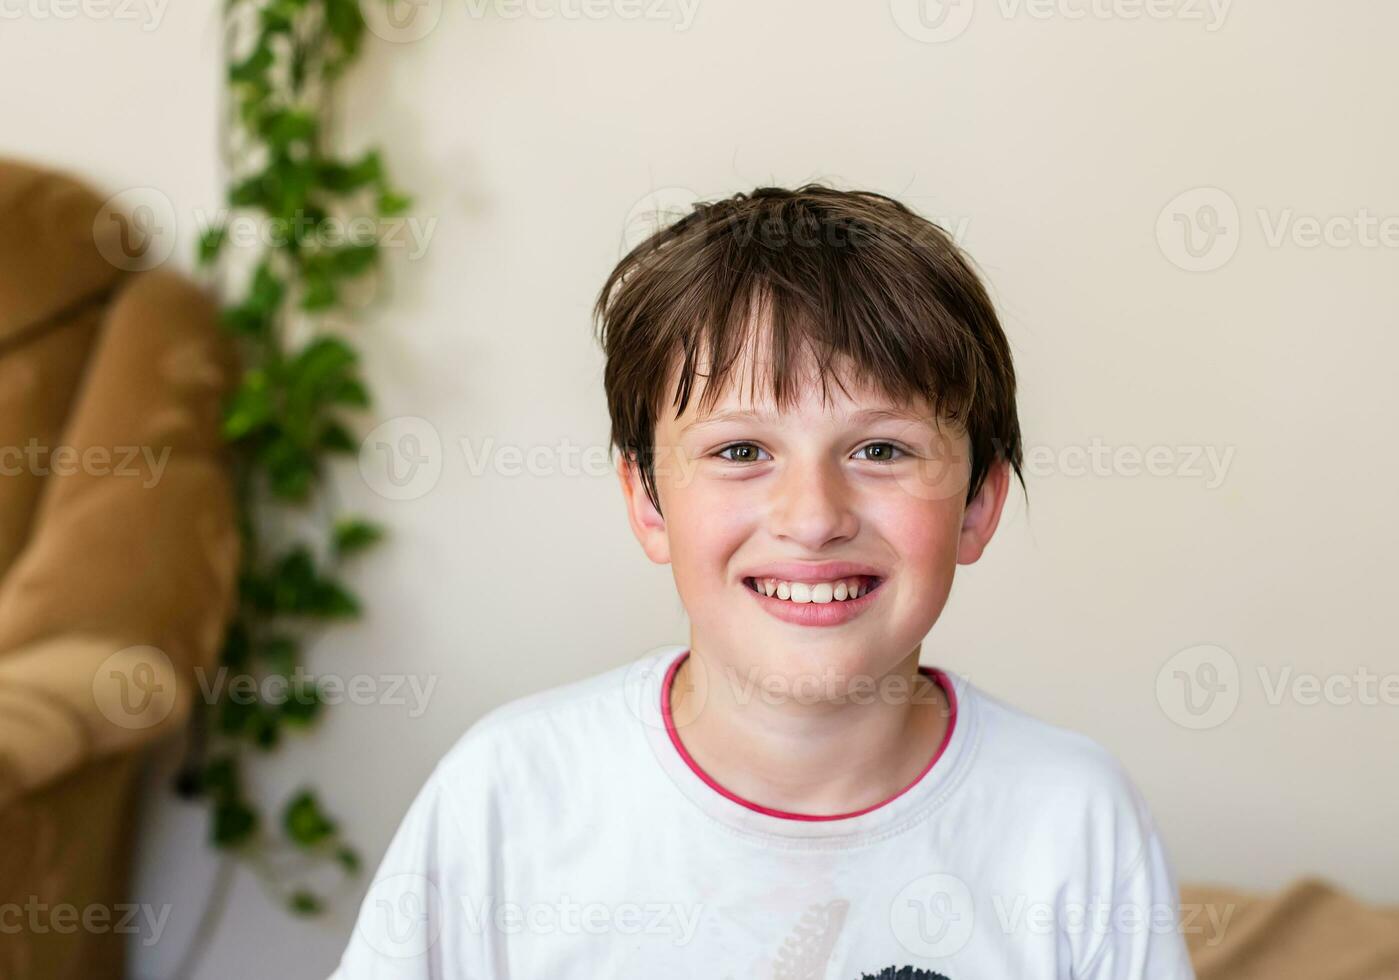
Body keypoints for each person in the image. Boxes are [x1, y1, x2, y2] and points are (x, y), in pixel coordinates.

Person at [329, 185, 1196, 979]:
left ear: (977, 505)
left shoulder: (1071, 818)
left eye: (880, 450)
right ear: (648, 503)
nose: (812, 516)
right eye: (740, 452)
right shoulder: (509, 795)